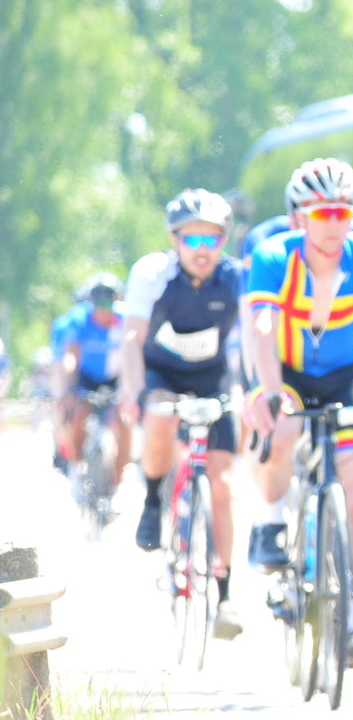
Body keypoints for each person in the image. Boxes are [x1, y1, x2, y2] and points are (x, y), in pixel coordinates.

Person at [242, 159, 353, 667]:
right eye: (322, 213)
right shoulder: (274, 256)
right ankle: (271, 521)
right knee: (281, 429)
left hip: (345, 375)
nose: (335, 223)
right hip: (287, 372)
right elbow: (262, 331)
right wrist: (269, 391)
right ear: (299, 218)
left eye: (344, 212)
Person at [119, 190, 246, 637]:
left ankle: (225, 597)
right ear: (175, 241)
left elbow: (253, 340)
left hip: (214, 376)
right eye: (193, 239)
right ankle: (154, 499)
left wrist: (251, 393)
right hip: (162, 372)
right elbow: (132, 339)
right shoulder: (152, 274)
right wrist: (133, 391)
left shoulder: (236, 278)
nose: (202, 250)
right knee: (158, 417)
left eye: (213, 239)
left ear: (224, 242)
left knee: (223, 485)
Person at [53, 274, 131, 484]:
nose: (103, 308)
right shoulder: (78, 320)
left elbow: (132, 356)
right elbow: (70, 356)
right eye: (98, 303)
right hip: (85, 376)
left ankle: (116, 482)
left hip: (114, 377)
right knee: (77, 415)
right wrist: (68, 388)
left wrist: (130, 391)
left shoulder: (125, 320)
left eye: (109, 303)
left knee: (125, 423)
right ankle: (77, 468)